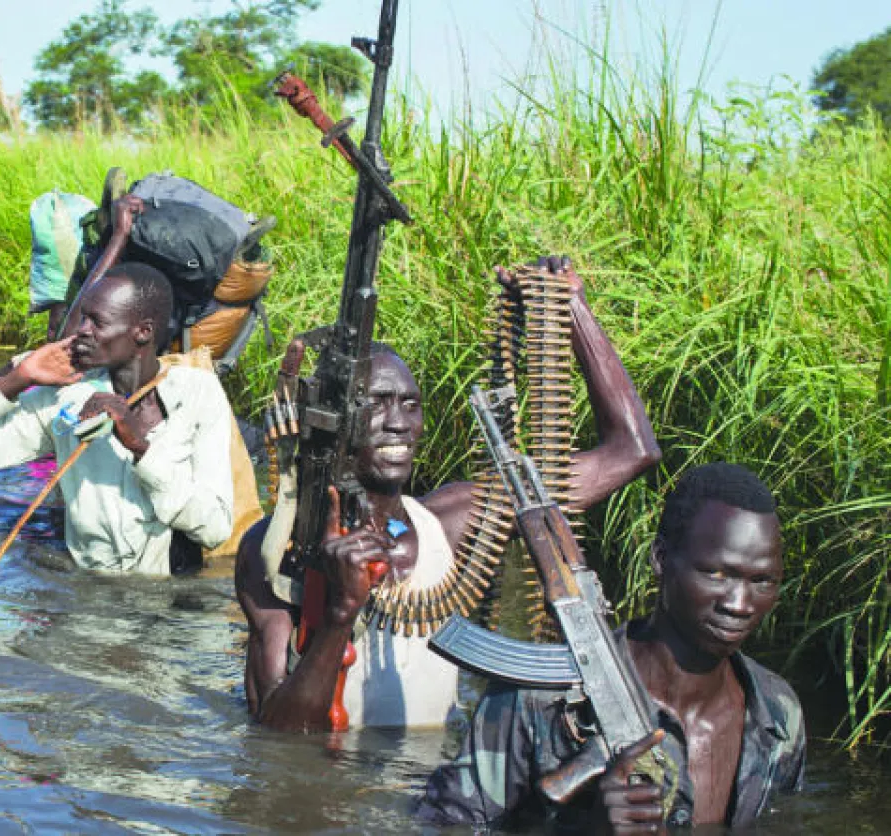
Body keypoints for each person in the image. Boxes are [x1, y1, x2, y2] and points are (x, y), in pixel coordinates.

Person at [235, 257, 661, 730]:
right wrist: (340, 614)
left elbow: (631, 450)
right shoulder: (279, 553)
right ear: (332, 421)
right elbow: (275, 735)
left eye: (410, 405)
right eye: (374, 403)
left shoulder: (456, 522)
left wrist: (570, 306)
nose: (397, 421)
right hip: (336, 790)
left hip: (430, 793)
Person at [415, 462, 805, 832]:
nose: (739, 604)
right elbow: (440, 828)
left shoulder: (778, 716)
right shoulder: (536, 702)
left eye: (762, 581)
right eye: (716, 573)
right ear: (661, 559)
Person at [0, 263, 234, 575]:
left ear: (143, 332)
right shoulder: (66, 399)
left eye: (98, 322)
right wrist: (20, 377)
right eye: (83, 318)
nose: (82, 331)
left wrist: (140, 448)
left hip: (171, 601)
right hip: (92, 599)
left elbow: (215, 529)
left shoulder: (196, 394)